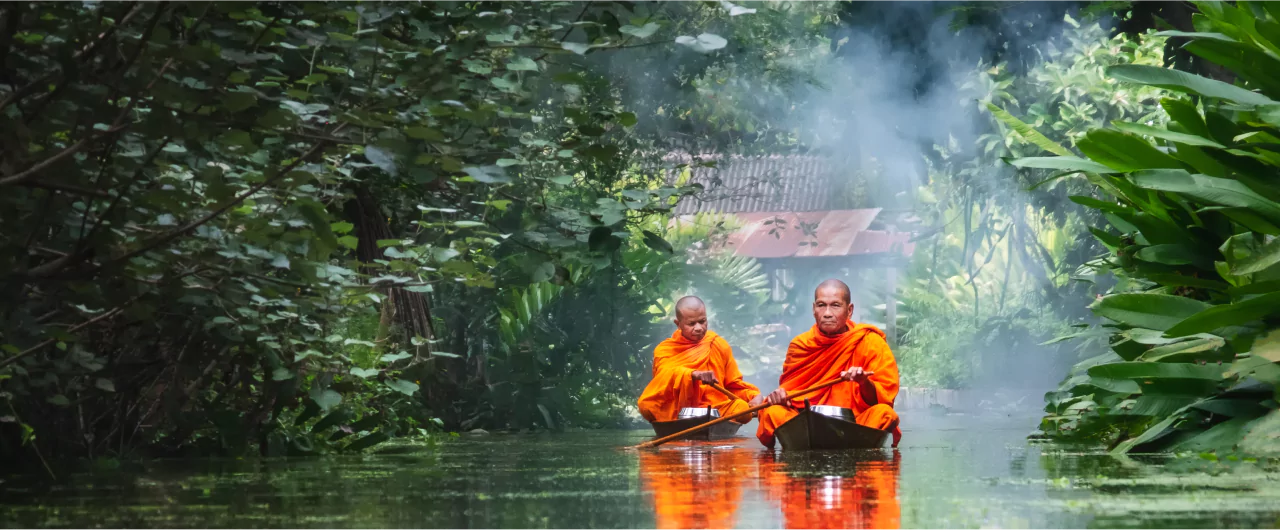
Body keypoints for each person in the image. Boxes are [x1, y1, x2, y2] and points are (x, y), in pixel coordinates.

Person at [754, 280, 902, 448]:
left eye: (836, 305)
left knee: (884, 413)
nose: (827, 313)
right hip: (808, 426)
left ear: (850, 310)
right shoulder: (801, 345)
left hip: (855, 424)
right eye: (821, 305)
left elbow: (884, 398)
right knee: (772, 412)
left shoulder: (870, 343)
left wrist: (863, 382)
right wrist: (780, 398)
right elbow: (793, 397)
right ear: (813, 309)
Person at [637, 296, 761, 423]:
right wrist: (693, 374)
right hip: (677, 411)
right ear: (678, 324)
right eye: (691, 324)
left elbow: (733, 386)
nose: (698, 328)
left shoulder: (717, 344)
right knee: (646, 406)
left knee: (741, 408)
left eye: (702, 321)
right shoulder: (665, 349)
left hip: (717, 410)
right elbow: (664, 375)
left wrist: (754, 396)